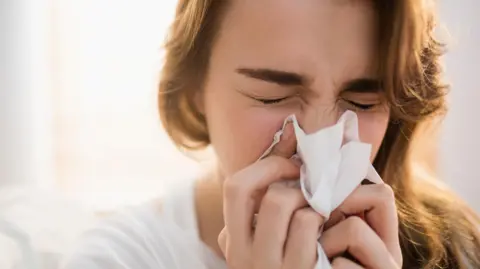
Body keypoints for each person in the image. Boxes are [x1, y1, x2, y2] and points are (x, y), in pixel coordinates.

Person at [62, 0, 480, 268]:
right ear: (194, 93)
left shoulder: (454, 246)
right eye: (272, 96)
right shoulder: (120, 259)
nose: (318, 139)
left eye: (363, 103)